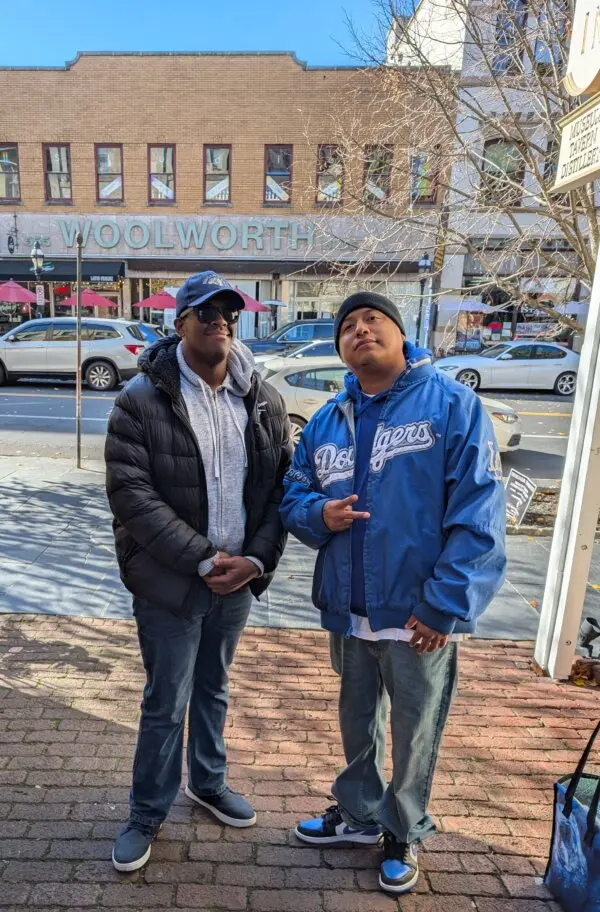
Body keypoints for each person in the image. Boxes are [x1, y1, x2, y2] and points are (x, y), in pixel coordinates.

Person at [280, 291, 506, 895]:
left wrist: (443, 606)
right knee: (357, 720)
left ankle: (403, 829)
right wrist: (316, 514)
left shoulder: (452, 407)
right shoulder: (328, 420)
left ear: (402, 335)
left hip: (417, 617)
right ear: (340, 349)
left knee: (414, 728)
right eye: (347, 326)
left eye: (372, 320)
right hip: (348, 609)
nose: (359, 331)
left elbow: (478, 515)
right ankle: (357, 813)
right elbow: (292, 495)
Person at [105, 271, 291, 872]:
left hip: (236, 579)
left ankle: (207, 783)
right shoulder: (141, 398)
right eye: (204, 311)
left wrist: (254, 560)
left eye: (228, 312)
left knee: (214, 687)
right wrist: (204, 558)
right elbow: (132, 495)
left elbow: (278, 488)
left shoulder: (260, 399)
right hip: (170, 578)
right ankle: (146, 811)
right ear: (179, 322)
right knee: (167, 700)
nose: (219, 320)